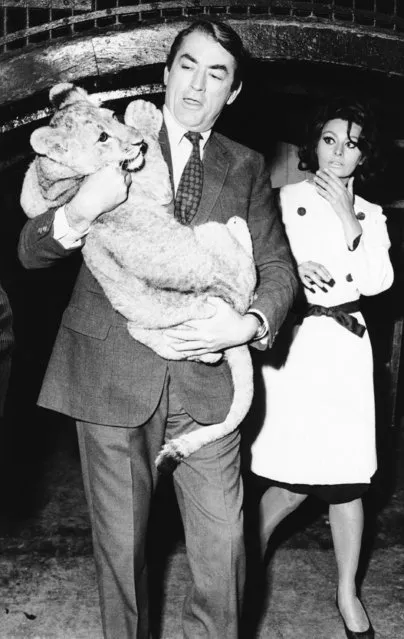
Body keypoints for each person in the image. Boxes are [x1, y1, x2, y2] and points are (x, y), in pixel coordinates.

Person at [18, 19, 297, 639]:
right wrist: (83, 209)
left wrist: (248, 323)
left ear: (234, 92)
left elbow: (278, 266)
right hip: (111, 376)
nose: (197, 86)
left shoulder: (247, 165)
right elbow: (30, 250)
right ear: (166, 73)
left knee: (224, 550)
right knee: (123, 560)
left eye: (216, 74)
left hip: (209, 382)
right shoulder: (104, 137)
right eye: (187, 67)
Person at [250, 98, 394, 638]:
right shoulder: (279, 200)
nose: (339, 152)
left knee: (348, 482)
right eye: (330, 139)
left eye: (351, 143)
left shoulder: (373, 215)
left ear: (363, 154)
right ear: (314, 144)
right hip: (297, 351)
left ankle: (347, 593)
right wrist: (288, 267)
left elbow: (376, 283)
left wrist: (347, 217)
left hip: (347, 353)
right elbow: (250, 263)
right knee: (290, 481)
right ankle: (244, 570)